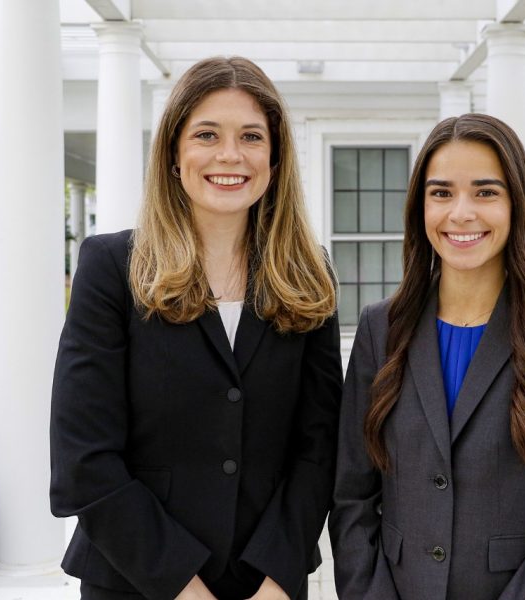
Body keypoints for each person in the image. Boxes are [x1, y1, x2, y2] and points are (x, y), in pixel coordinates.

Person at [50, 56, 342, 600]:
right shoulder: (111, 267)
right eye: (207, 134)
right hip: (137, 580)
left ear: (275, 159)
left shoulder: (308, 274)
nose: (230, 155)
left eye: (251, 136)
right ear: (173, 154)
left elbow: (319, 447)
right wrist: (186, 590)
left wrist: (278, 580)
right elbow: (83, 459)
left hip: (266, 582)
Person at [329, 114, 525, 600]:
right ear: (420, 207)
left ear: (516, 205)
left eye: (485, 192)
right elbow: (353, 497)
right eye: (441, 193)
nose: (461, 213)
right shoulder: (381, 328)